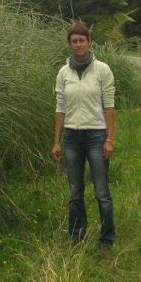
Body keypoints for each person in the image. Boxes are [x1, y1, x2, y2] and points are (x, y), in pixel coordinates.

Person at [51, 21, 115, 250]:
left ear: (89, 42)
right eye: (74, 41)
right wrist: (56, 141)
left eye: (82, 40)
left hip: (96, 137)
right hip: (71, 139)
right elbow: (60, 108)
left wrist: (110, 138)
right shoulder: (63, 72)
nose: (78, 44)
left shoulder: (102, 70)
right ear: (69, 44)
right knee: (75, 191)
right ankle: (77, 237)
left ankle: (107, 239)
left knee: (101, 191)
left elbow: (109, 106)